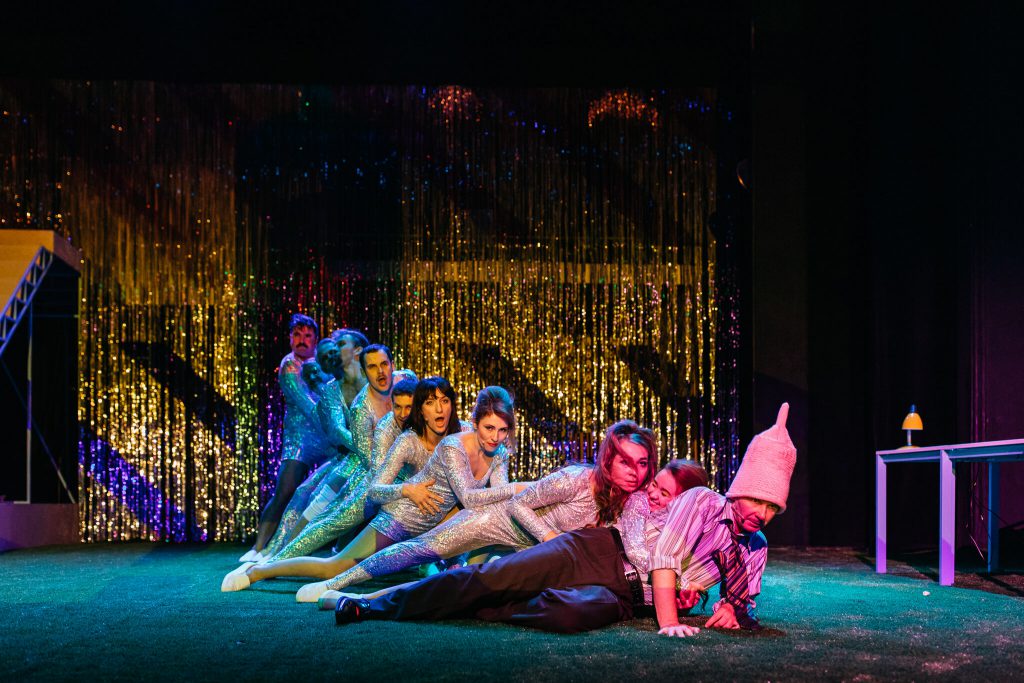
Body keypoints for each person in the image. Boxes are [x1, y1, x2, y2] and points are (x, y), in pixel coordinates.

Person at [326, 456, 710, 633]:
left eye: (665, 493)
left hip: (622, 597)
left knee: (571, 615)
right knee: (493, 577)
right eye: (655, 484)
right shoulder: (639, 503)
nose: (652, 493)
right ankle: (372, 606)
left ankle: (480, 607)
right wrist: (670, 581)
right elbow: (643, 554)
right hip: (595, 551)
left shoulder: (694, 536)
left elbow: (695, 584)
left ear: (688, 502)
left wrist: (688, 595)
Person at [310, 419, 658, 602]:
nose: (634, 472)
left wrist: (669, 579)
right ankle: (337, 581)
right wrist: (550, 537)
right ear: (607, 459)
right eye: (625, 462)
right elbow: (519, 503)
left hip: (531, 551)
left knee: (463, 586)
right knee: (423, 550)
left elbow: (636, 548)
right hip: (496, 520)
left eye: (642, 463)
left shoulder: (631, 500)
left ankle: (368, 598)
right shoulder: (575, 479)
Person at [221, 377, 468, 592]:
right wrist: (408, 490)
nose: (439, 408)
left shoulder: (463, 435)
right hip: (397, 511)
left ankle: (443, 567)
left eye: (445, 401)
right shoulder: (404, 438)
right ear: (421, 410)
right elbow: (376, 486)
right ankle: (261, 570)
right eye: (430, 402)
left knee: (468, 532)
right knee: (335, 556)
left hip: (435, 517)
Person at [291, 386, 519, 602]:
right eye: (489, 428)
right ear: (475, 423)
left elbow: (494, 495)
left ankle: (464, 571)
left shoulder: (494, 450)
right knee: (338, 565)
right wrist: (406, 489)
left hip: (436, 519)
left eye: (502, 430)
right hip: (402, 516)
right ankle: (278, 570)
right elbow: (468, 496)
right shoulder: (442, 444)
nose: (495, 437)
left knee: (458, 558)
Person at [651, 403, 796, 637]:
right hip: (612, 558)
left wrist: (731, 608)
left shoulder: (757, 545)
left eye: (772, 507)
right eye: (755, 501)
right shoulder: (704, 503)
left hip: (634, 597)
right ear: (738, 493)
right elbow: (664, 558)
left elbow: (744, 598)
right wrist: (669, 622)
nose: (762, 514)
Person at [255, 374, 417, 560]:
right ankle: (275, 554)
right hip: (357, 459)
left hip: (380, 466)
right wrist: (363, 444)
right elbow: (338, 430)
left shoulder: (402, 381)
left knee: (344, 510)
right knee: (319, 499)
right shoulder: (350, 396)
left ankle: (333, 552)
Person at [239, 314, 336, 562]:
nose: (302, 340)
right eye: (297, 335)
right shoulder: (289, 365)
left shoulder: (323, 363)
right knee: (285, 490)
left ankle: (328, 546)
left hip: (326, 437)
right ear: (290, 338)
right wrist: (335, 425)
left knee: (339, 486)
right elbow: (306, 403)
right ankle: (258, 548)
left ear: (315, 340)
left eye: (308, 336)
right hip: (301, 437)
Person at [328, 328, 370, 408]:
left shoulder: (376, 382)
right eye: (334, 346)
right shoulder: (331, 390)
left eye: (341, 344)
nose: (334, 349)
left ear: (358, 350)